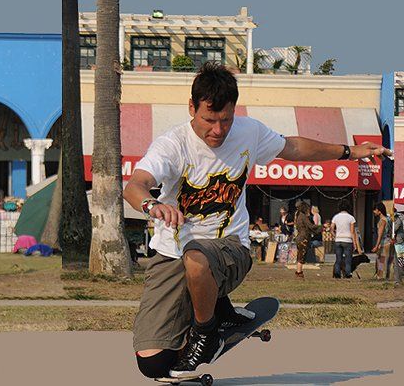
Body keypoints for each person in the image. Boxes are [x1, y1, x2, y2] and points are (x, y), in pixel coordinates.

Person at [122, 62, 390, 380]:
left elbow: (292, 147)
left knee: (196, 256)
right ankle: (219, 313)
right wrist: (152, 204)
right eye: (209, 120)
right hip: (170, 254)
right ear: (192, 108)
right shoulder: (172, 146)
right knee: (152, 364)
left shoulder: (249, 132)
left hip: (231, 248)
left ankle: (205, 334)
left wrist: (349, 151)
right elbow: (134, 185)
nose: (218, 130)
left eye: (226, 120)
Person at [331, 206, 357, 279]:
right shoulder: (351, 218)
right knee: (348, 259)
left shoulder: (336, 217)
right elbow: (352, 232)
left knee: (338, 259)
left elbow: (331, 228)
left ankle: (337, 274)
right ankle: (348, 274)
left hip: (338, 240)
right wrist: (354, 243)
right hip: (347, 240)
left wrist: (335, 235)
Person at [292, 199, 313, 280]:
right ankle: (299, 272)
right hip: (303, 238)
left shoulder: (298, 216)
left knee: (300, 255)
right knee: (302, 256)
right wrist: (321, 227)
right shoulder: (303, 217)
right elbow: (310, 226)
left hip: (299, 237)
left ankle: (298, 271)